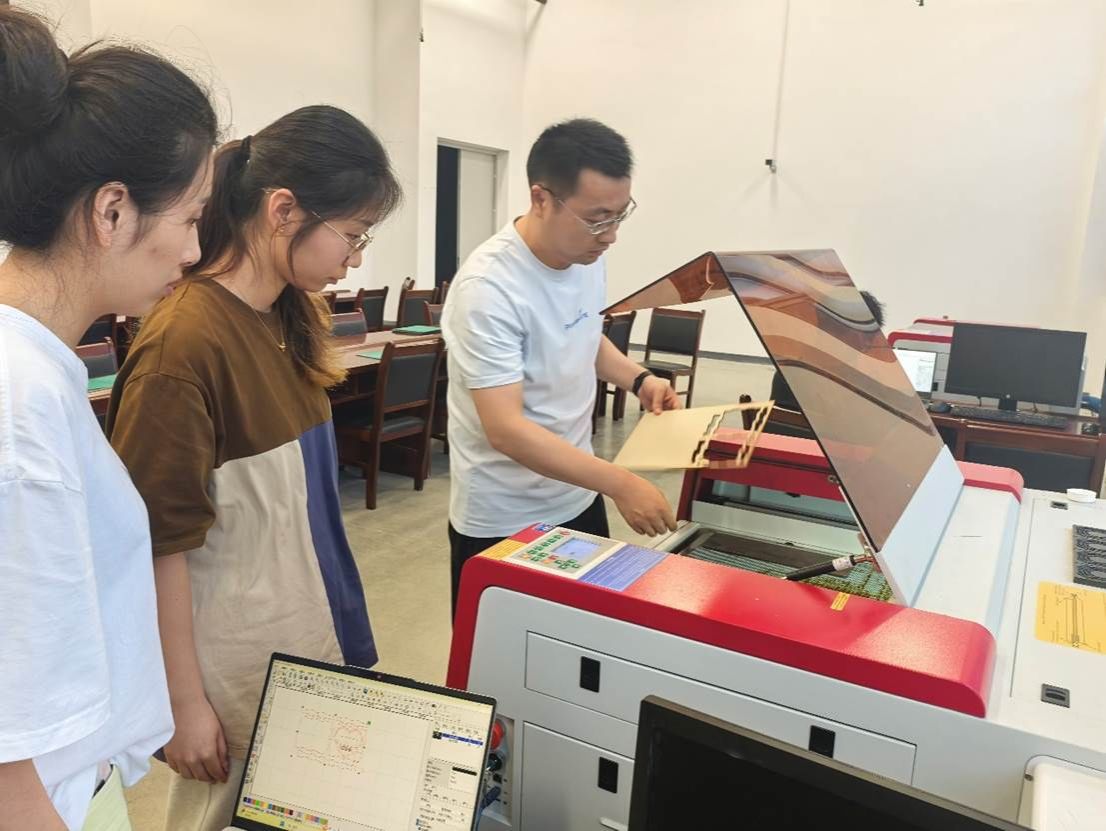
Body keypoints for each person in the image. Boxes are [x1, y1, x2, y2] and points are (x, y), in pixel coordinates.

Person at [106, 106, 401, 831]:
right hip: (236, 659)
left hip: (305, 625)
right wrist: (183, 703)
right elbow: (154, 546)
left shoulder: (284, 316)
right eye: (353, 234)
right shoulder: (183, 344)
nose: (355, 259)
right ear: (282, 211)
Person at [0, 9, 217, 830]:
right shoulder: (21, 405)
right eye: (191, 218)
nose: (193, 251)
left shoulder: (36, 370)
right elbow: (8, 764)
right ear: (113, 211)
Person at [443, 118, 680, 613]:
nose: (610, 235)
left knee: (583, 637)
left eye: (619, 216)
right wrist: (621, 482)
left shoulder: (584, 257)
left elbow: (583, 334)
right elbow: (506, 430)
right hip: (505, 518)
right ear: (541, 199)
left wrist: (639, 379)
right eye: (597, 218)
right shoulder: (489, 289)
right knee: (504, 653)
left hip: (577, 493)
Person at [769, 290, 886, 410]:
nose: (863, 342)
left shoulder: (872, 389)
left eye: (869, 337)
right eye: (865, 334)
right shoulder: (793, 378)